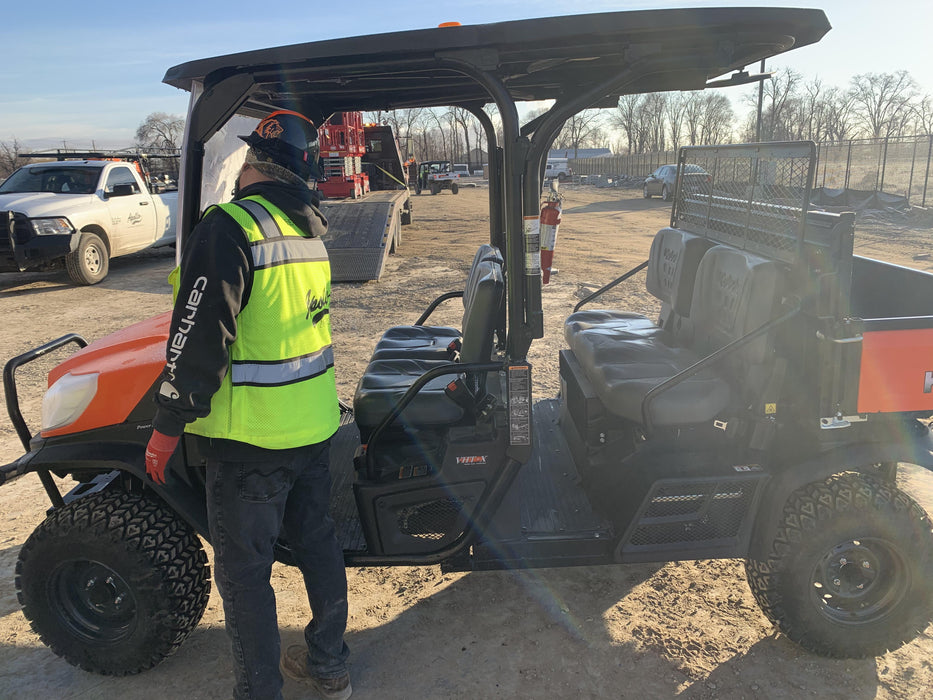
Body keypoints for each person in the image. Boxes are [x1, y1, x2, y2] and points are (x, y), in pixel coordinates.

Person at [145, 109, 352, 700]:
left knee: (244, 574)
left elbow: (200, 338)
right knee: (317, 544)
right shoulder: (311, 230)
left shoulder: (231, 225)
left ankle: (259, 691)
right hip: (313, 424)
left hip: (250, 441)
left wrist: (166, 426)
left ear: (253, 165)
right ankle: (329, 662)